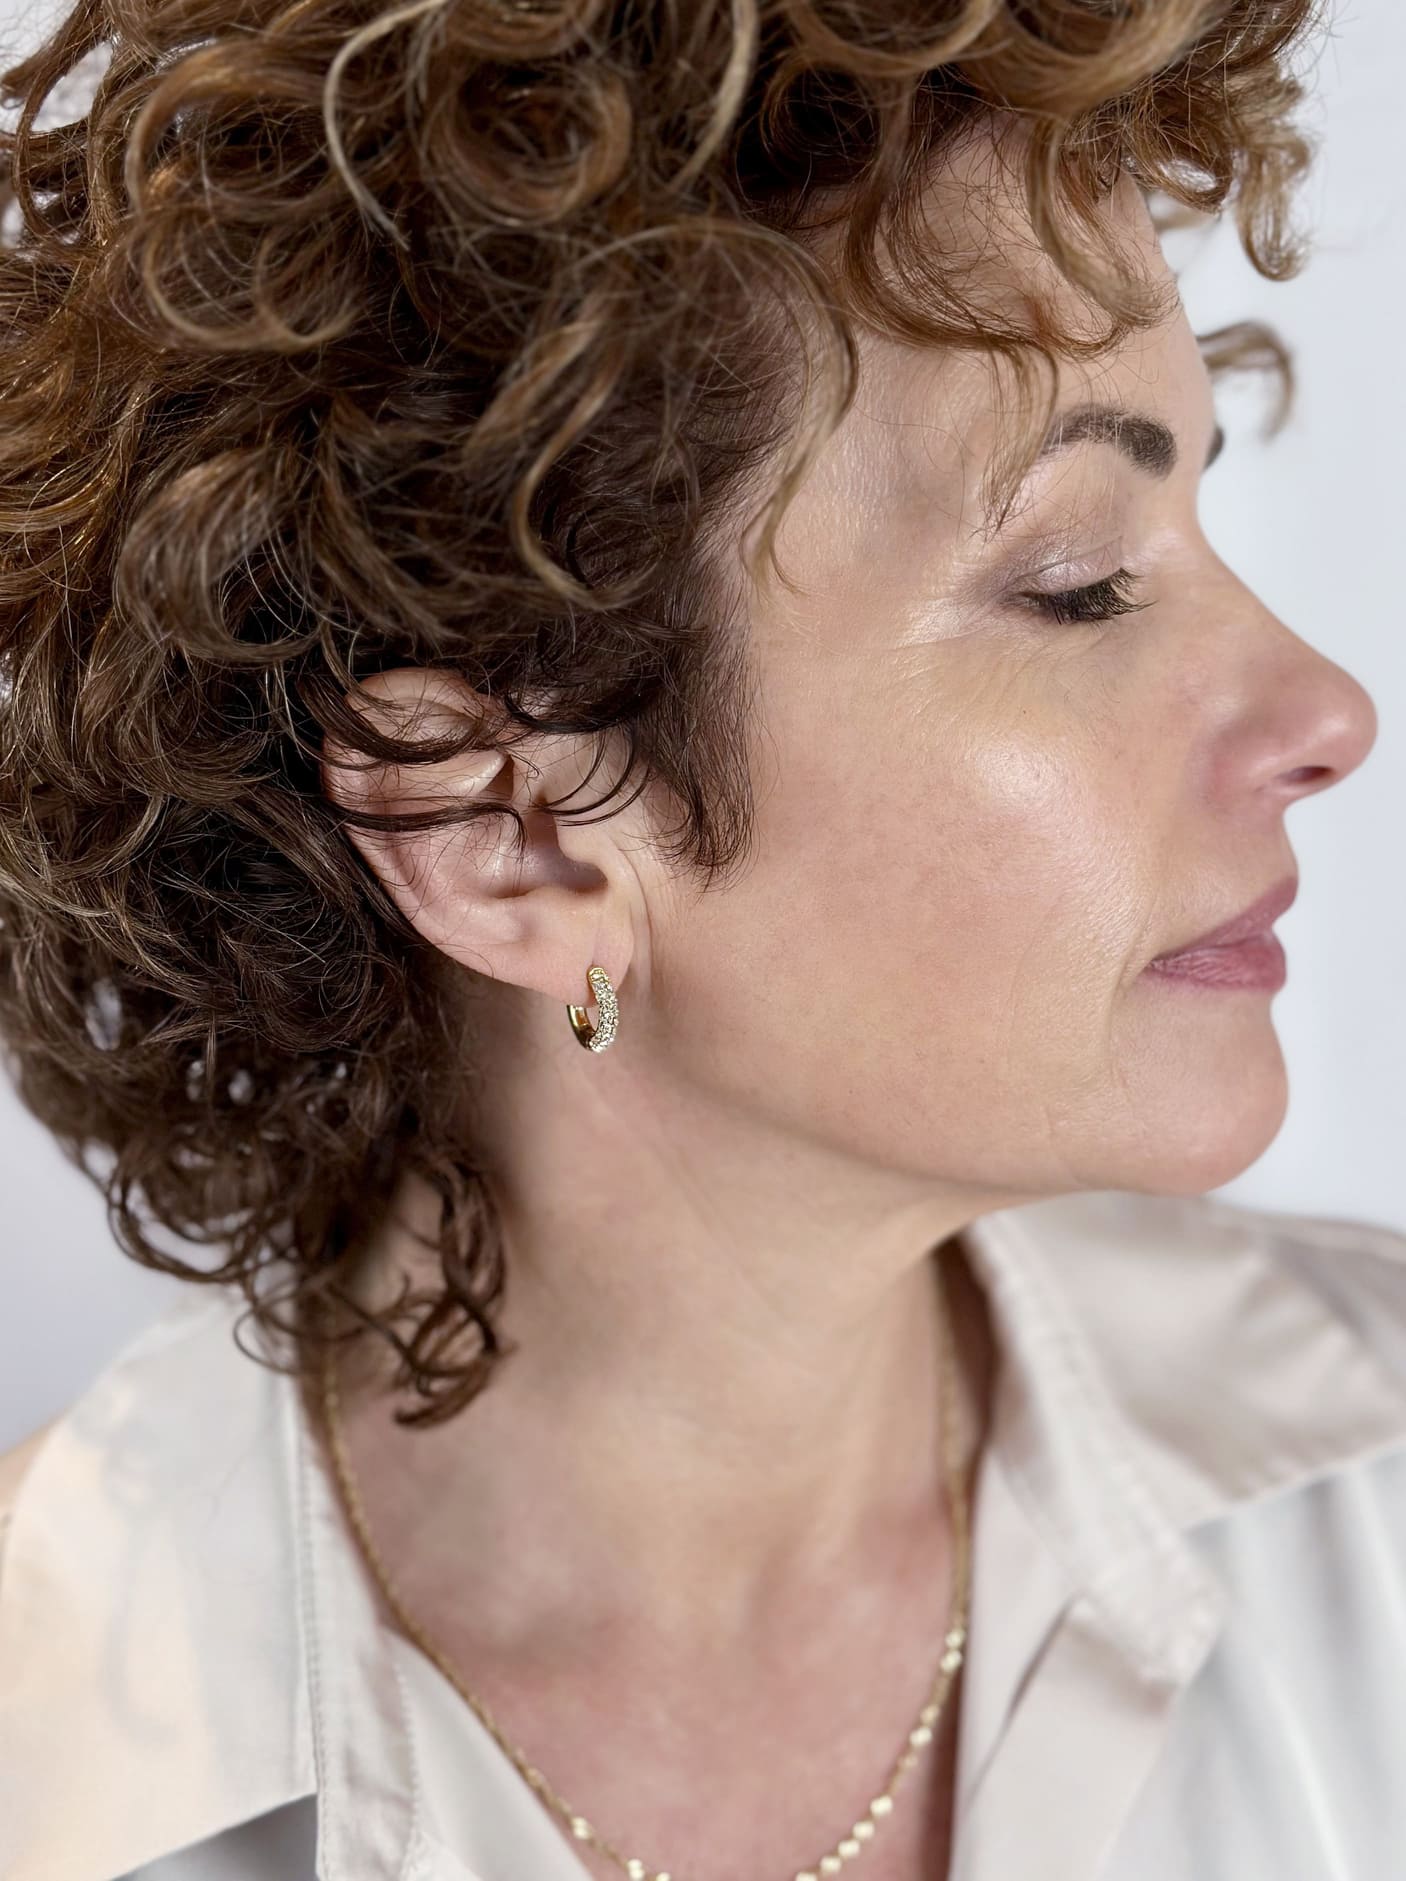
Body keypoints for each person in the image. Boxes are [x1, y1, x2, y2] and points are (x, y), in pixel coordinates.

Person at [1, 2, 1404, 1878]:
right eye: (1074, 584)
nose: (1328, 711)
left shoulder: (1375, 1499)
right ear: (504, 831)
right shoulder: (58, 1780)